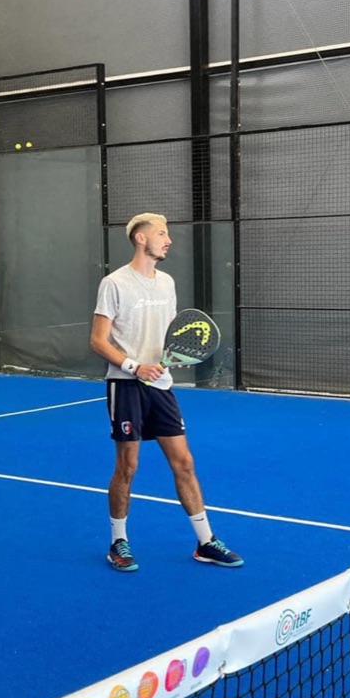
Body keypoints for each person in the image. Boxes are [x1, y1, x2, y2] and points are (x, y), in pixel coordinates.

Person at [90, 212, 244, 572]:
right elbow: (98, 340)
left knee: (184, 462)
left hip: (160, 386)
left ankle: (206, 542)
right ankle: (118, 542)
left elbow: (170, 334)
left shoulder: (167, 283)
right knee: (128, 466)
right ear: (140, 238)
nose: (168, 240)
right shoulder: (114, 283)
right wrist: (135, 366)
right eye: (161, 233)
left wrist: (173, 358)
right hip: (126, 386)